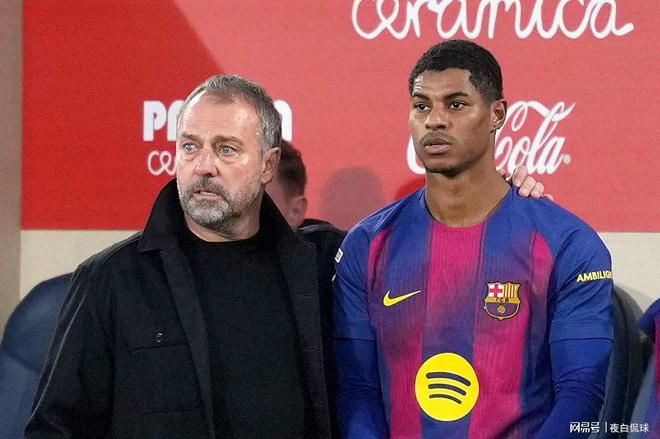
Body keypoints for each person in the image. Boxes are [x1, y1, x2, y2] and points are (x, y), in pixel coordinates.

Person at [26, 75, 341, 438]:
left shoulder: (320, 267)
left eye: (226, 149)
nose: (203, 166)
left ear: (267, 165)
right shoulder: (111, 279)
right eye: (190, 146)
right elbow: (55, 429)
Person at [333, 40, 613, 438]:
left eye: (455, 104)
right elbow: (357, 390)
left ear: (497, 114)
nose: (435, 120)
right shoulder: (366, 246)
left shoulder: (568, 244)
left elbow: (581, 393)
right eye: (421, 106)